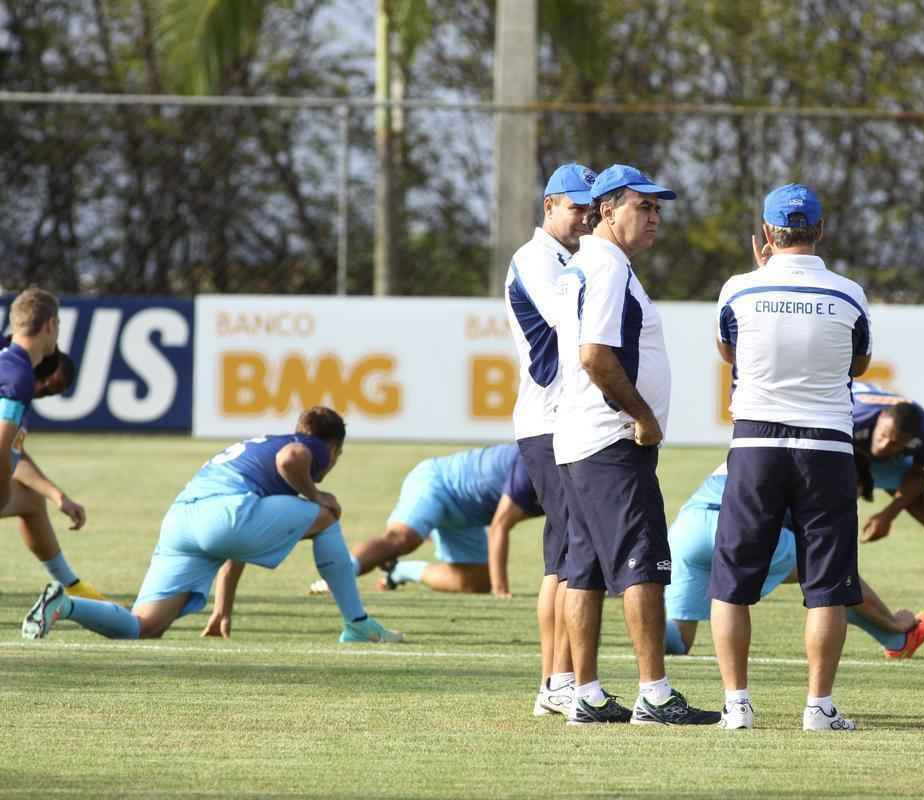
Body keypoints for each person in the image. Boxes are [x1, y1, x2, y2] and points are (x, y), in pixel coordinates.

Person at [554, 164, 718, 725]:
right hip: (610, 439)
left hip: (579, 437)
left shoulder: (586, 264)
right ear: (606, 210)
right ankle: (654, 694)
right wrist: (642, 415)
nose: (655, 218)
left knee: (585, 570)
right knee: (642, 564)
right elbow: (596, 355)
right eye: (642, 207)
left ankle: (588, 694)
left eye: (657, 209)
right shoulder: (606, 268)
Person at [22, 406, 401, 644]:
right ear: (334, 448)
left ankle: (65, 606)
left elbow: (239, 540)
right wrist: (316, 494)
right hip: (227, 514)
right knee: (330, 512)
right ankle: (357, 623)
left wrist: (222, 607)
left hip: (182, 520)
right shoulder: (310, 444)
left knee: (144, 626)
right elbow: (291, 459)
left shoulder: (256, 448)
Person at [709, 184, 870, 732]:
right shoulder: (849, 293)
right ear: (820, 231)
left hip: (755, 445)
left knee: (731, 579)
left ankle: (736, 706)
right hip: (826, 446)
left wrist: (762, 275)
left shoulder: (739, 289)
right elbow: (861, 363)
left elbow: (729, 351)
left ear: (767, 233)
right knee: (827, 581)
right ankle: (819, 707)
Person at [665, 461, 924, 659]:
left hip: (688, 529)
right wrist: (894, 620)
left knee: (678, 641)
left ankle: (641, 622)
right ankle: (896, 633)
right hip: (737, 528)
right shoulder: (816, 466)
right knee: (830, 572)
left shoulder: (753, 443)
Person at [504, 163, 595, 717]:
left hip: (564, 420)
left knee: (566, 554)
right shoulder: (537, 258)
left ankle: (556, 682)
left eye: (591, 205)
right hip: (549, 419)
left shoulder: (569, 259)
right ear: (549, 206)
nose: (585, 214)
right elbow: (571, 321)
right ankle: (554, 681)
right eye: (576, 205)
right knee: (564, 556)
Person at [310, 443, 544, 597]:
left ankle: (400, 571)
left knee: (479, 583)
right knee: (402, 540)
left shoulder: (572, 473)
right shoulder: (534, 462)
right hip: (438, 483)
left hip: (470, 515)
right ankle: (339, 575)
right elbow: (500, 526)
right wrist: (502, 592)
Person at [1, 290, 106, 601]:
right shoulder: (17, 378)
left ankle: (72, 586)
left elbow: (13, 451)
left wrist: (58, 496)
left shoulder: (9, 362)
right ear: (51, 325)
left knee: (32, 502)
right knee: (18, 498)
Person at [852, 381, 924, 553]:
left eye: (895, 443)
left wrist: (888, 515)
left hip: (888, 461)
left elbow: (919, 476)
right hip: (849, 449)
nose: (884, 445)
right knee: (837, 504)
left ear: (909, 441)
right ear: (880, 418)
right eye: (882, 435)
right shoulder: (852, 417)